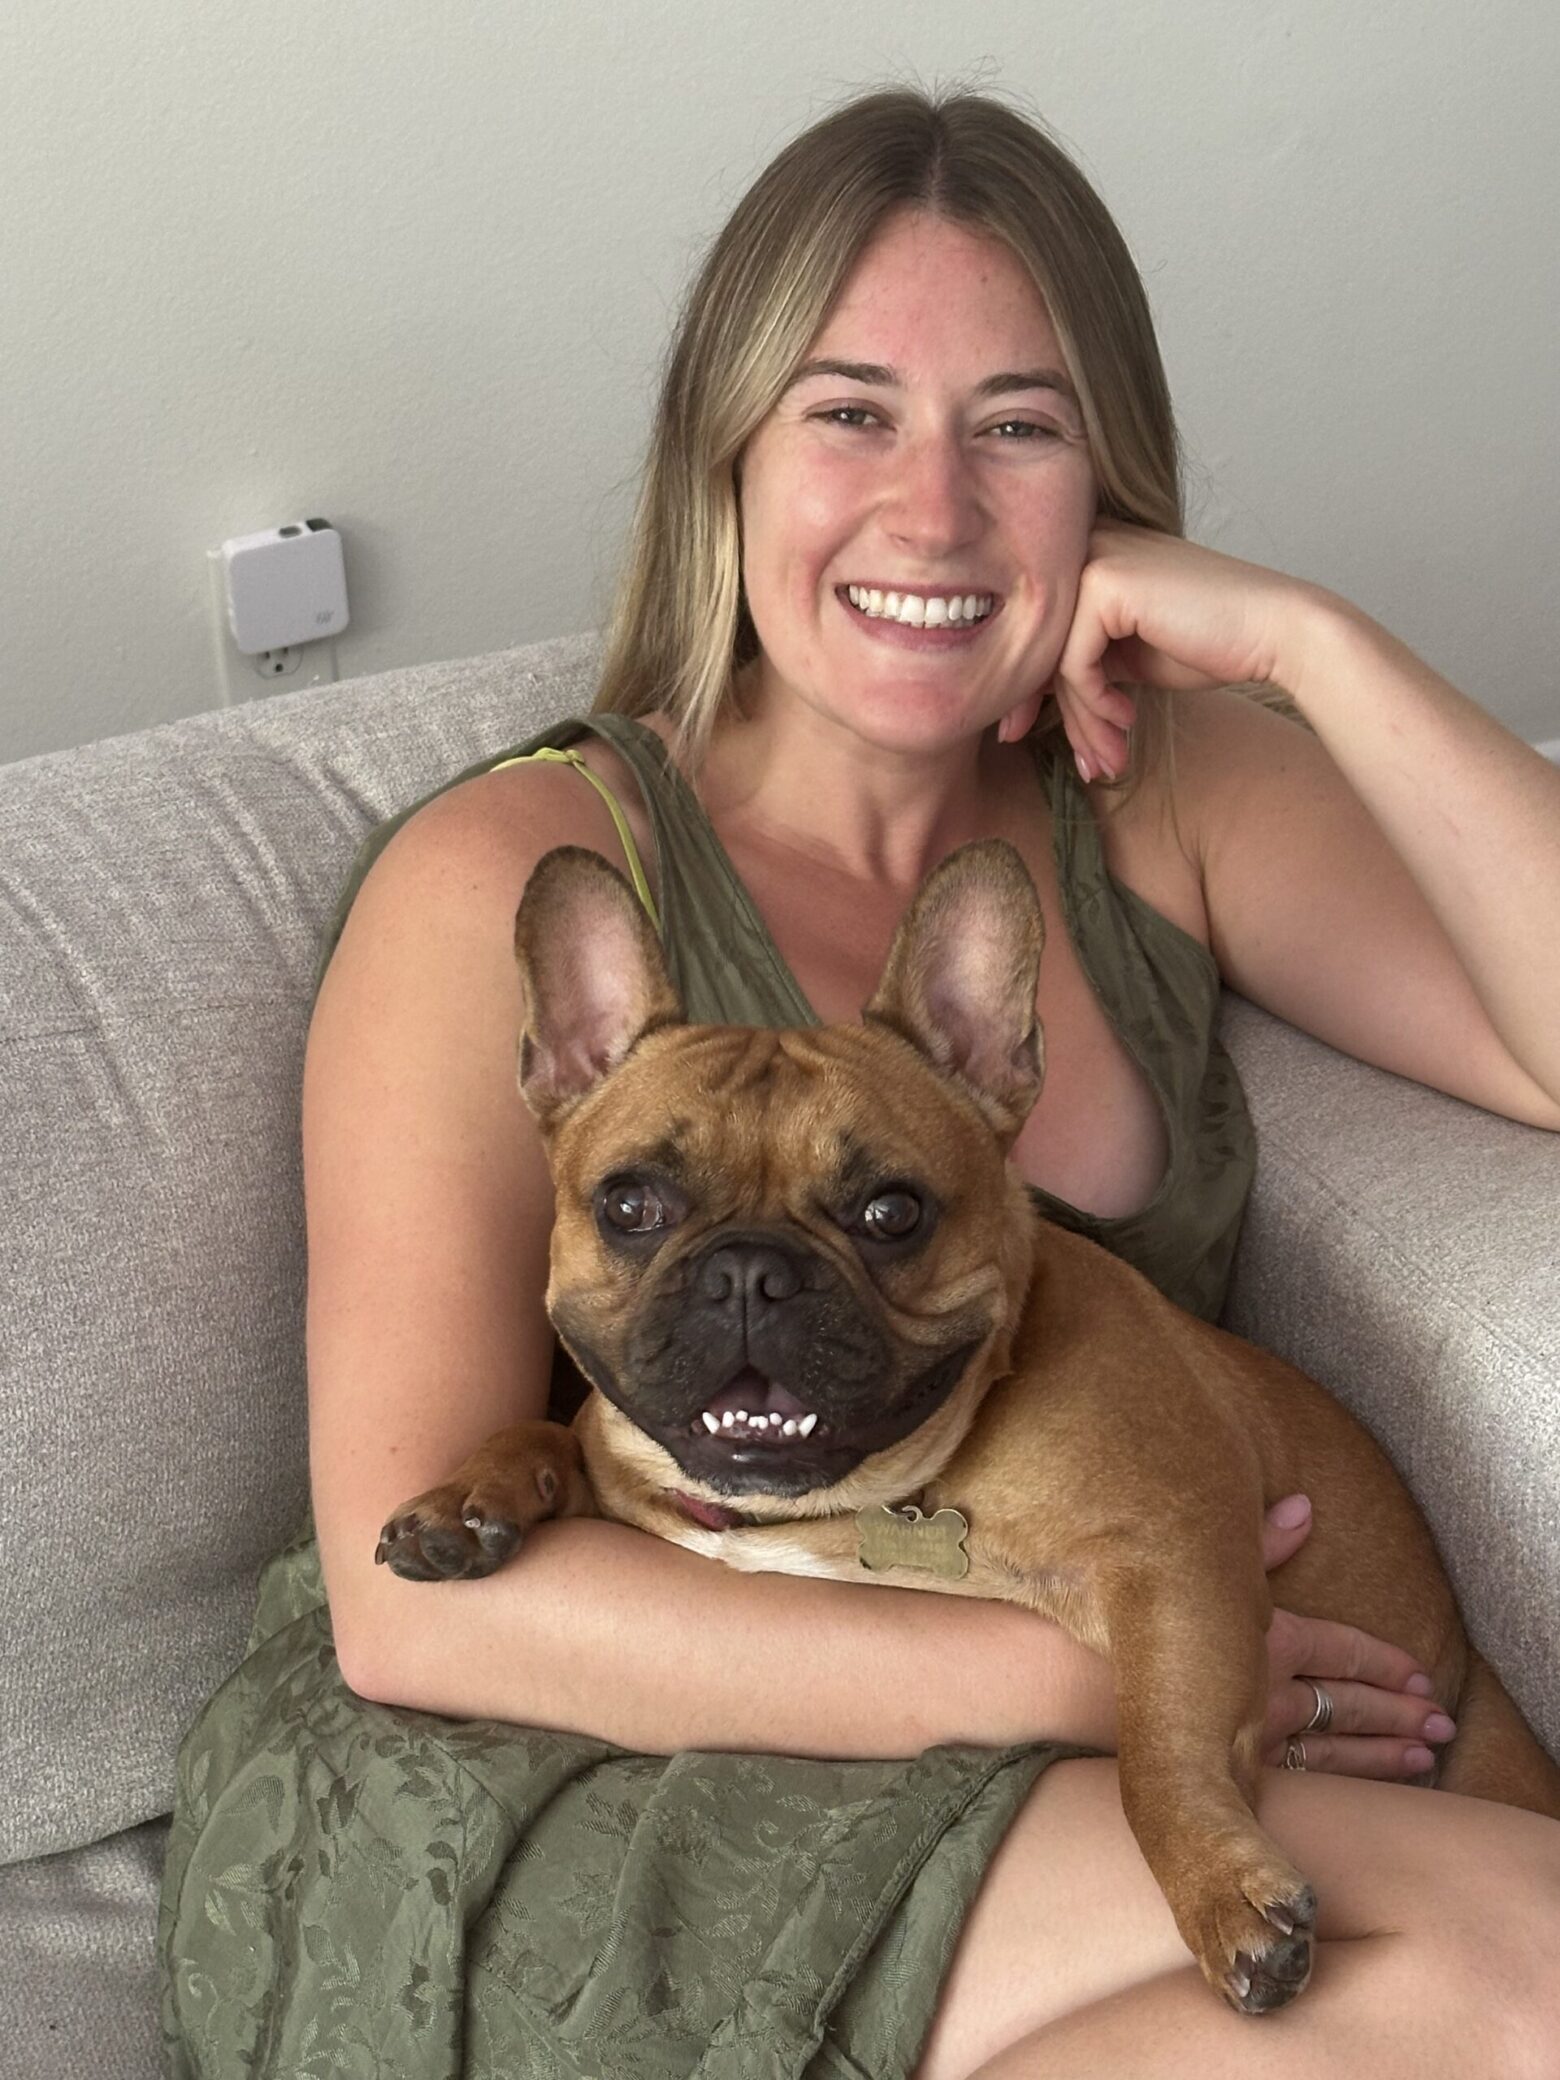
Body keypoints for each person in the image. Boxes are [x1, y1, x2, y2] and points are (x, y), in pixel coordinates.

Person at [158, 86, 1560, 2079]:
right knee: (1514, 1978)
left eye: (1019, 422)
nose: (934, 510)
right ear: (720, 452)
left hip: (1074, 1710)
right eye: (848, 412)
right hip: (570, 1755)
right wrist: (1083, 1674)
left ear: (1110, 482)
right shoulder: (507, 872)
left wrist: (1311, 645)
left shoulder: (1162, 800)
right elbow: (418, 1615)